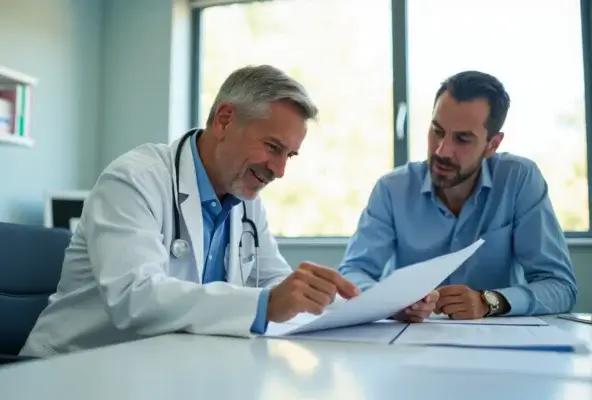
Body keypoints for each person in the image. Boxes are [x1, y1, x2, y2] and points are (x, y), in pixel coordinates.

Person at [21, 65, 365, 357]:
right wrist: (265, 304)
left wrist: (355, 306)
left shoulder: (246, 200)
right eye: (273, 147)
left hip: (163, 369)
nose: (279, 170)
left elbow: (274, 283)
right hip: (72, 372)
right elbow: (135, 297)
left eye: (289, 155)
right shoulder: (134, 179)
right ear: (225, 120)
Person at [339, 70, 577, 320]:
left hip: (496, 347)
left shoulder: (519, 180)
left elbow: (560, 287)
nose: (442, 150)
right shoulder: (392, 189)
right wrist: (388, 304)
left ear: (492, 144)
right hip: (410, 344)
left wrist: (489, 301)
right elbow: (352, 274)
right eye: (437, 131)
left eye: (462, 139)